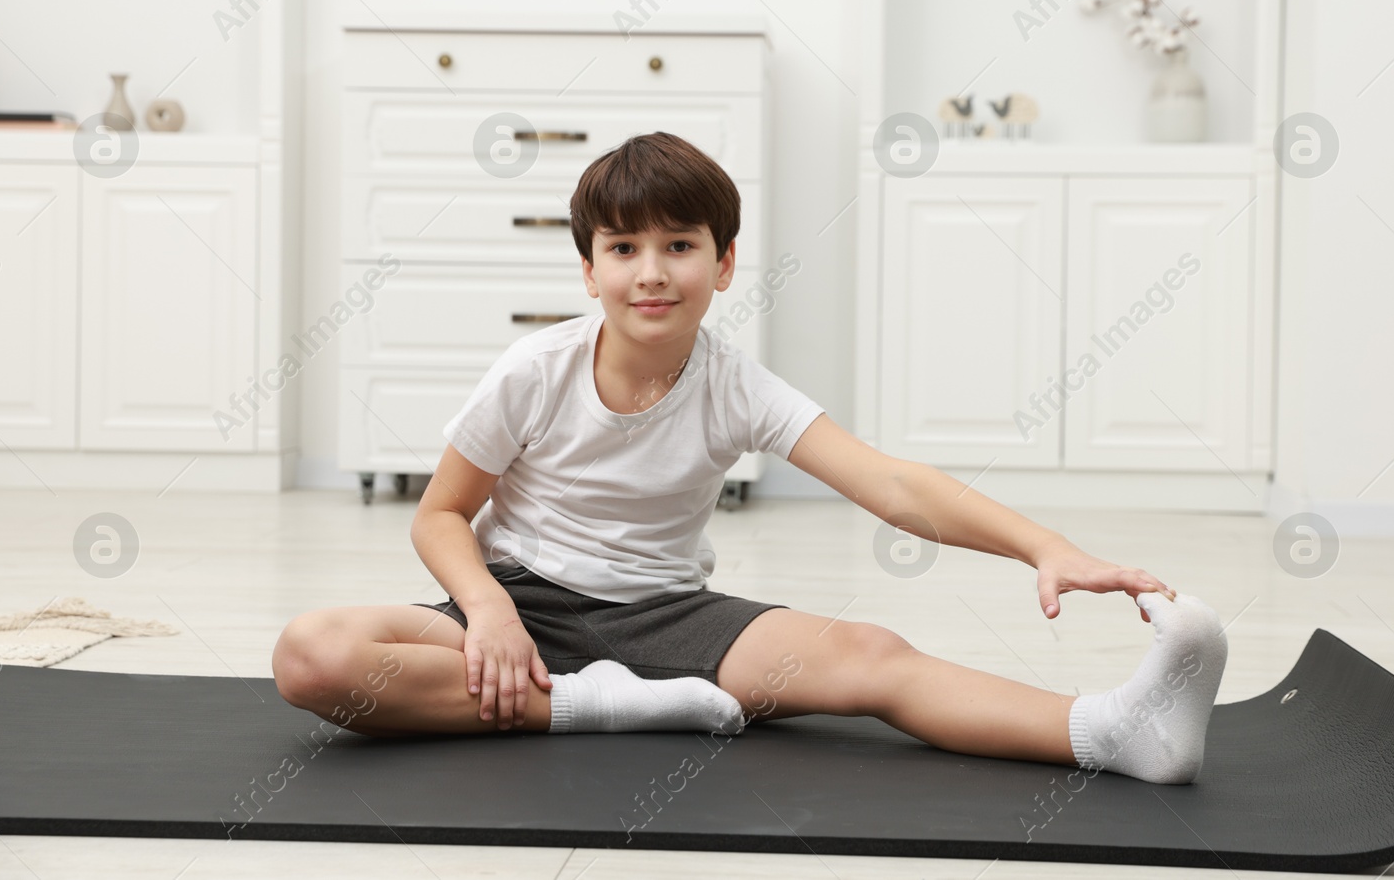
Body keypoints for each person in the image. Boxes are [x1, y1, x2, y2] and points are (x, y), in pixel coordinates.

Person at [272, 131, 1228, 785]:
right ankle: (592, 705)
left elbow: (891, 485)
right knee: (312, 656)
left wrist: (1045, 548)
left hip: (673, 624)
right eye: (624, 247)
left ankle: (1112, 730)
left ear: (723, 262)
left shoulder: (737, 384)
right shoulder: (535, 367)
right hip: (519, 602)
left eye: (680, 245)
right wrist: (486, 611)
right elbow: (440, 513)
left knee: (874, 658)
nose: (652, 271)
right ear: (590, 267)